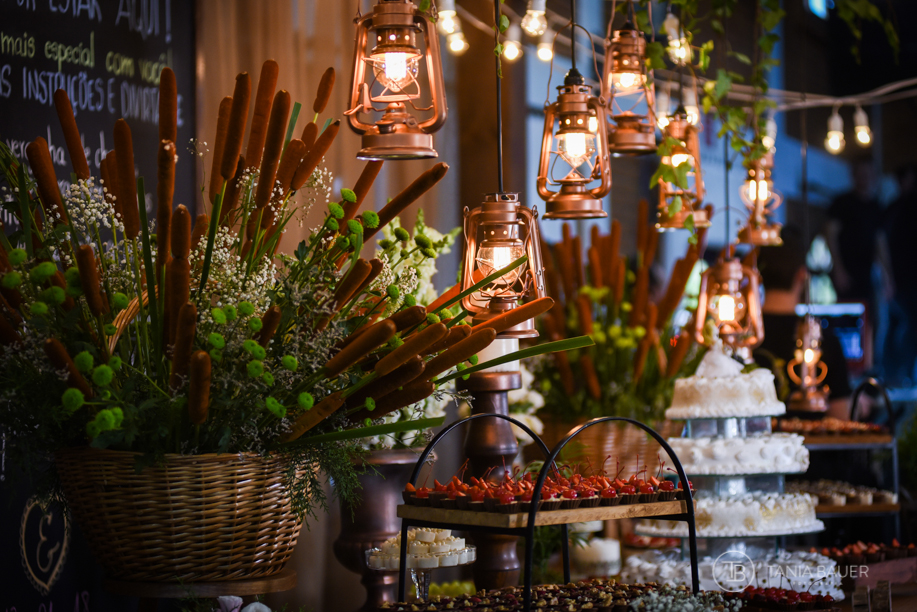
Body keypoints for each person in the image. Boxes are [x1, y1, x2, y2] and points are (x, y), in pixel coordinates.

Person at [755, 227, 852, 419]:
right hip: (809, 440)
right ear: (802, 275)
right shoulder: (823, 341)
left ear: (758, 276)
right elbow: (841, 419)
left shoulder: (743, 339)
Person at [824, 155, 892, 307]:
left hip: (867, 272)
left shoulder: (876, 207)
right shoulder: (842, 203)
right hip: (846, 269)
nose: (865, 178)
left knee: (867, 311)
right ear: (854, 175)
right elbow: (830, 235)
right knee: (846, 311)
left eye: (868, 174)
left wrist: (887, 276)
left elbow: (880, 242)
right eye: (861, 173)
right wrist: (838, 269)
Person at [882, 164, 917, 386]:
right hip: (901, 279)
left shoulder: (897, 207)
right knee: (904, 324)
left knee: (905, 325)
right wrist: (888, 278)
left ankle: (902, 373)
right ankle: (897, 374)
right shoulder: (895, 208)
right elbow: (883, 243)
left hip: (906, 278)